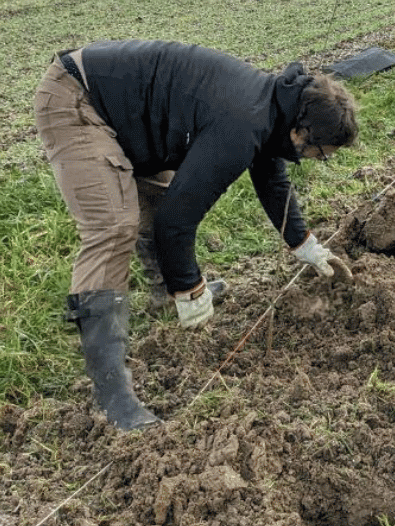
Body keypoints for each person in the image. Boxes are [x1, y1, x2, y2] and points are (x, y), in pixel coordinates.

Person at [33, 39, 359, 430]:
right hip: (79, 99)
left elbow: (271, 176)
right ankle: (111, 392)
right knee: (114, 226)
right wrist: (189, 288)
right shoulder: (243, 122)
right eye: (319, 153)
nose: (315, 161)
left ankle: (164, 297)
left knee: (159, 192)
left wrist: (303, 243)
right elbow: (178, 221)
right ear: (300, 134)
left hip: (127, 113)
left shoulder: (272, 106)